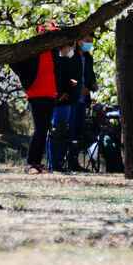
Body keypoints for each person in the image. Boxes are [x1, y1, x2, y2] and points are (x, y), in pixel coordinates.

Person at [9, 21, 60, 174]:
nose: (49, 35)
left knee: (43, 130)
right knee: (40, 129)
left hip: (51, 93)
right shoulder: (32, 48)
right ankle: (31, 163)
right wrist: (27, 81)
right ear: (39, 32)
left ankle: (36, 163)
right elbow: (14, 61)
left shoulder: (53, 50)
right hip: (36, 94)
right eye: (46, 32)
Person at [48, 41, 81, 172]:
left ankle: (58, 162)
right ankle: (54, 163)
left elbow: (73, 78)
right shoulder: (56, 58)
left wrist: (68, 91)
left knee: (62, 132)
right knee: (56, 131)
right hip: (58, 101)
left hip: (66, 100)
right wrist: (59, 94)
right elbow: (57, 78)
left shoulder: (68, 59)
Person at [67, 34, 97, 171]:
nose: (89, 43)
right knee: (70, 130)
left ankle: (74, 162)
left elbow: (91, 76)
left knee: (79, 130)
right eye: (87, 40)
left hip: (83, 100)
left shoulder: (89, 58)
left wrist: (92, 85)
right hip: (71, 99)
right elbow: (67, 77)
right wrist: (79, 87)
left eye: (91, 41)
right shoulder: (70, 56)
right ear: (78, 41)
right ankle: (65, 161)